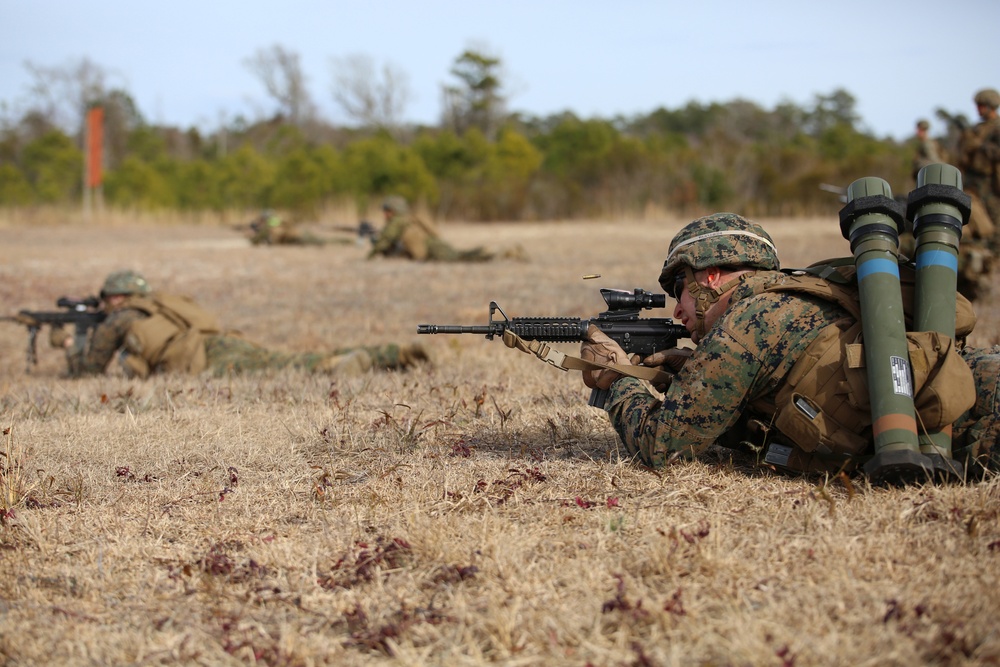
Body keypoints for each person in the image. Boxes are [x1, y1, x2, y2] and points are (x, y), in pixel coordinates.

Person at [579, 213, 1000, 481]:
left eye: (677, 289)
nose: (676, 312)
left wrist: (619, 379)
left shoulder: (746, 324)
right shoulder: (789, 300)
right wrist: (685, 376)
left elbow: (660, 446)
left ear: (709, 277)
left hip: (982, 421)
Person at [50, 270, 428, 379]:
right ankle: (391, 354)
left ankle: (342, 368)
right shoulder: (161, 304)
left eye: (106, 297)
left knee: (290, 366)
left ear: (116, 297)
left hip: (204, 358)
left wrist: (69, 343)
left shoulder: (122, 318)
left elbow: (88, 369)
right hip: (221, 341)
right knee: (288, 357)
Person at [367, 196, 495, 262]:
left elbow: (384, 242)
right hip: (435, 244)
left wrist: (370, 256)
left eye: (387, 211)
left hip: (431, 248)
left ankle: (490, 255)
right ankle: (484, 253)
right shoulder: (408, 219)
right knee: (460, 255)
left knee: (458, 258)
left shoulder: (397, 222)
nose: (384, 214)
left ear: (395, 211)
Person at [956, 88, 1000, 247]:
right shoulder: (977, 128)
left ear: (991, 106)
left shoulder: (997, 127)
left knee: (995, 221)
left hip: (991, 182)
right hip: (973, 180)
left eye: (981, 105)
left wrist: (980, 145)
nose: (978, 109)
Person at [246, 210, 326, 246]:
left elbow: (256, 241)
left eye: (261, 220)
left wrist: (253, 234)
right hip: (299, 236)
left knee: (321, 241)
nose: (260, 222)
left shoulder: (271, 225)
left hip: (298, 238)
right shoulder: (277, 221)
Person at [911, 119, 945, 183]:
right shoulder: (927, 143)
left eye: (919, 130)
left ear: (924, 131)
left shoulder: (927, 144)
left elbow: (935, 161)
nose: (917, 132)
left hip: (931, 179)